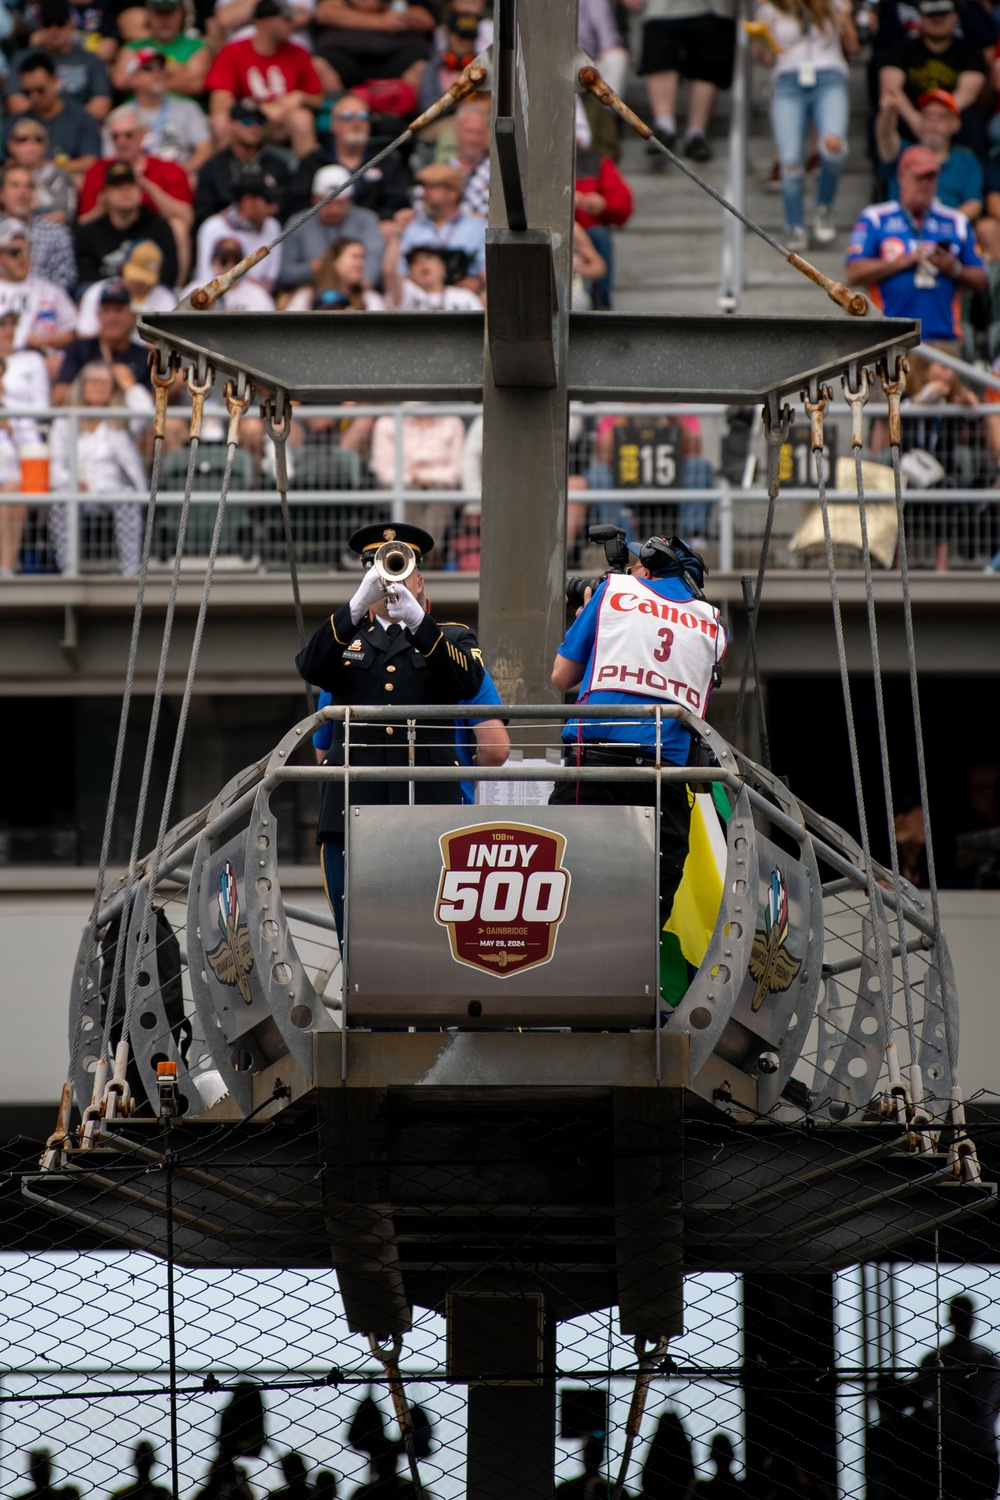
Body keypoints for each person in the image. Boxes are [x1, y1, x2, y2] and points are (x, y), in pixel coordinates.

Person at [295, 520, 484, 938]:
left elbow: (467, 682)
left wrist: (419, 623)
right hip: (352, 805)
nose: (391, 579)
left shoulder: (450, 636)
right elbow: (309, 667)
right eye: (379, 571)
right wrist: (356, 605)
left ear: (418, 578)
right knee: (358, 933)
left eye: (403, 567)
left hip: (429, 804)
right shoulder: (346, 636)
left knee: (430, 930)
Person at [549, 535, 728, 921]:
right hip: (668, 780)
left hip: (596, 766)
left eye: (634, 566)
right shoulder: (713, 624)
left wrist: (586, 618)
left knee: (571, 904)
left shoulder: (616, 590)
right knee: (645, 917)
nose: (629, 571)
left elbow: (562, 677)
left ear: (647, 569)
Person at [845, 146, 986, 353]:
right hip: (889, 341)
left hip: (944, 340)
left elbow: (980, 280)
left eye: (931, 178)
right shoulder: (876, 217)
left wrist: (953, 268)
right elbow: (854, 272)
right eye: (920, 178)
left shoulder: (956, 220)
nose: (926, 185)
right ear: (902, 176)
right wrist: (905, 261)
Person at [751, 0, 856, 250]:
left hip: (829, 77)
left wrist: (846, 20)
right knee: (789, 162)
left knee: (834, 147)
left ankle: (823, 207)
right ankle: (795, 225)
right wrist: (760, 42)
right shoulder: (771, 9)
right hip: (788, 81)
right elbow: (765, 59)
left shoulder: (834, 4)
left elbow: (853, 46)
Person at [48, 360, 152, 576]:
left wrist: (128, 383)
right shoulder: (64, 423)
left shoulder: (120, 421)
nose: (99, 387)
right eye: (93, 382)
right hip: (76, 489)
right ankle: (68, 570)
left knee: (128, 498)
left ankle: (130, 571)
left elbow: (146, 413)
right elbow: (55, 465)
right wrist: (71, 481)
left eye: (106, 383)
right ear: (82, 386)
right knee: (60, 502)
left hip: (112, 489)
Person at [78, 106, 194, 280]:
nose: (121, 141)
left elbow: (186, 218)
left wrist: (148, 187)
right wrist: (105, 203)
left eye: (128, 135)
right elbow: (83, 224)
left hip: (154, 236)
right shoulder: (97, 171)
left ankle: (175, 288)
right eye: (115, 136)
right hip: (110, 238)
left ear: (142, 134)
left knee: (177, 226)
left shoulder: (169, 169)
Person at [206, 0, 324, 158]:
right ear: (266, 22)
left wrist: (300, 97)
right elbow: (219, 103)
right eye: (286, 19)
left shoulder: (298, 53)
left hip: (280, 125)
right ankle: (225, 179)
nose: (292, 24)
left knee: (302, 118)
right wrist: (259, 111)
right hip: (245, 122)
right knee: (220, 122)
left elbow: (318, 98)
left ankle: (308, 178)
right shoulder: (233, 52)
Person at [917, 1296, 1000, 1500]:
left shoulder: (937, 1360)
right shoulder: (989, 1361)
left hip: (954, 1446)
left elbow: (921, 1399)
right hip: (973, 1447)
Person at [284, 91, 412, 222]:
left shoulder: (385, 160)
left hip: (373, 231)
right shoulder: (314, 161)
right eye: (347, 117)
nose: (356, 123)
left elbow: (397, 202)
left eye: (362, 116)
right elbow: (296, 205)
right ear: (333, 124)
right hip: (324, 229)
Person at [879, 0, 988, 152]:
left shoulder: (970, 53)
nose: (937, 19)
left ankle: (966, 167)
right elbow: (891, 89)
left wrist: (938, 119)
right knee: (886, 116)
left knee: (971, 120)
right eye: (931, 14)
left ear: (955, 16)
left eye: (943, 14)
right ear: (921, 17)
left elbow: (968, 93)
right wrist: (917, 119)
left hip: (951, 115)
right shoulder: (901, 50)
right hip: (912, 117)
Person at [640, 0, 737, 164]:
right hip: (661, 7)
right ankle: (664, 128)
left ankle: (696, 134)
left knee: (707, 65)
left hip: (713, 7)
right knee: (660, 58)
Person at [876, 87, 983, 219]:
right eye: (927, 115)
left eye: (942, 116)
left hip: (947, 237)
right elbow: (885, 136)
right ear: (919, 121)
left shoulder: (967, 160)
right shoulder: (903, 152)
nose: (934, 121)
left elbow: (974, 203)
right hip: (899, 232)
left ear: (955, 124)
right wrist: (889, 111)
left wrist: (943, 225)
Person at [74, 159, 180, 290]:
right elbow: (85, 277)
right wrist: (118, 288)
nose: (125, 189)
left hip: (149, 296)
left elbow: (169, 275)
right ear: (104, 195)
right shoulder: (88, 233)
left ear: (140, 190)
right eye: (117, 185)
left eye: (131, 184)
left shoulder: (159, 227)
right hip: (106, 302)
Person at [277, 164, 384, 291]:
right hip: (311, 289)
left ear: (350, 200)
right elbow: (284, 273)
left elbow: (373, 259)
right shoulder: (297, 222)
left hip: (356, 289)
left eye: (340, 203)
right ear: (314, 199)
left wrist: (358, 284)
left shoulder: (366, 219)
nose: (334, 210)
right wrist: (313, 268)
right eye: (327, 203)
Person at [4, 0, 112, 121]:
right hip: (35, 128)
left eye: (60, 23)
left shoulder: (91, 59)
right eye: (48, 24)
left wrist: (66, 122)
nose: (54, 30)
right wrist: (48, 117)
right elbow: (15, 103)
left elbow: (101, 105)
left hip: (78, 129)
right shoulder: (23, 59)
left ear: (71, 24)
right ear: (40, 27)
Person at [115, 46, 214, 177]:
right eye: (148, 68)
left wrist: (178, 176)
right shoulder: (119, 117)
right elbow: (112, 158)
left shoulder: (188, 108)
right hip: (134, 183)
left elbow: (205, 150)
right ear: (133, 79)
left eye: (161, 68)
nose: (157, 73)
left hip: (178, 180)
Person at [311, 0, 437, 97]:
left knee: (421, 68)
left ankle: (402, 120)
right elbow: (325, 13)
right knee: (318, 65)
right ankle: (343, 112)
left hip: (397, 62)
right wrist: (379, 21)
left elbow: (427, 21)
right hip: (343, 61)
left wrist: (384, 6)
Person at [194, 101, 291, 226]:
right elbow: (204, 215)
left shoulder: (277, 165)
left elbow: (287, 206)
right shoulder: (213, 167)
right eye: (247, 121)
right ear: (230, 125)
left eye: (260, 122)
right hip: (227, 237)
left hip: (267, 233)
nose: (254, 127)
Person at [54, 279, 153, 400]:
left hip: (127, 418)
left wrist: (131, 387)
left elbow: (154, 404)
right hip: (86, 417)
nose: (112, 317)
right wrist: (92, 388)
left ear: (131, 316)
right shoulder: (79, 348)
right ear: (98, 315)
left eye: (118, 310)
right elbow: (58, 396)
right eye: (107, 310)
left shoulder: (145, 356)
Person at [8, 51, 103, 175]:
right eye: (27, 92)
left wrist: (46, 167)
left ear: (55, 80)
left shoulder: (82, 119)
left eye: (40, 90)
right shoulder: (17, 122)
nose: (34, 97)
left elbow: (91, 162)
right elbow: (7, 162)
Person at [397, 161, 486, 293]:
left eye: (432, 187)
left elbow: (486, 272)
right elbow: (400, 273)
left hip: (467, 300)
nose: (424, 193)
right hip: (420, 300)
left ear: (452, 193)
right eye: (424, 187)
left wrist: (476, 283)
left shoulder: (477, 227)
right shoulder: (411, 228)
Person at [0, 218, 77, 370]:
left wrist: (46, 340)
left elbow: (73, 332)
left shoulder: (50, 291)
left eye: (27, 251)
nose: (22, 258)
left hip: (40, 359)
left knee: (57, 366)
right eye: (14, 253)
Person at [194, 163, 282, 291]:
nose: (275, 208)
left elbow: (270, 281)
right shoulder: (212, 227)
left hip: (256, 302)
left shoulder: (273, 226)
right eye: (268, 201)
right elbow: (206, 280)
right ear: (247, 201)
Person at [110, 0, 212, 99]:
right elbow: (120, 80)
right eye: (159, 14)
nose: (164, 20)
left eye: (170, 14)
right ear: (149, 15)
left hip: (184, 111)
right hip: (136, 111)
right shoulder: (132, 47)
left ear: (181, 14)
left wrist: (144, 74)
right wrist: (177, 70)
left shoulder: (197, 47)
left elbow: (196, 85)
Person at [0, 164, 76, 289]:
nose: (22, 192)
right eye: (15, 185)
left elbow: (66, 279)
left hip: (42, 302)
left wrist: (33, 293)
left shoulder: (56, 233)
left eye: (28, 186)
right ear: (1, 194)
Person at [76, 239, 176, 333]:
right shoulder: (98, 291)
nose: (140, 283)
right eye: (136, 276)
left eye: (146, 279)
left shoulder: (165, 298)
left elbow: (169, 344)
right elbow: (84, 335)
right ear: (123, 265)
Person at [4, 118, 77, 224]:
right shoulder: (3, 174)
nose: (31, 145)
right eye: (23, 139)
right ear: (11, 145)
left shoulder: (58, 175)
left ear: (45, 146)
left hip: (50, 233)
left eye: (38, 140)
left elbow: (64, 214)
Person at [283, 235, 386, 309]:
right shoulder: (307, 295)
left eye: (362, 257)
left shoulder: (369, 298)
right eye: (355, 257)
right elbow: (290, 332)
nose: (361, 263)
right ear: (334, 261)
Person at [181, 235, 276, 308]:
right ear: (213, 262)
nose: (231, 266)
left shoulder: (258, 295)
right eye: (224, 261)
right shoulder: (194, 291)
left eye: (237, 261)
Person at [383, 239, 482, 309]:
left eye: (429, 257)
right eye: (415, 261)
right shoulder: (407, 293)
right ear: (411, 274)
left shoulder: (465, 296)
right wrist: (398, 233)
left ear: (442, 267)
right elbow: (389, 271)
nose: (422, 263)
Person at [0, 354, 29, 578]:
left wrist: (12, 431)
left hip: (12, 481)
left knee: (13, 493)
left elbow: (33, 449)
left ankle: (6, 569)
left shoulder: (15, 413)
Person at [556, 1435, 622, 1498]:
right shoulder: (615, 1490)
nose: (590, 1456)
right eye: (588, 1451)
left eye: (596, 1451)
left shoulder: (566, 1488)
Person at [107, 1440, 172, 1500]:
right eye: (140, 1456)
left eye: (147, 1456)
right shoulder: (163, 1494)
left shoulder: (121, 1495)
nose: (143, 1462)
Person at [689, 1434, 744, 1500]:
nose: (722, 1457)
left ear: (711, 1455)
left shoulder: (701, 1488)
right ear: (732, 1455)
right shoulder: (742, 1488)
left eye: (725, 1452)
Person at [12, 1449, 77, 1500]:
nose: (41, 1470)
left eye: (44, 1464)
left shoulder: (68, 1495)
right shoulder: (66, 1496)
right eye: (37, 1465)